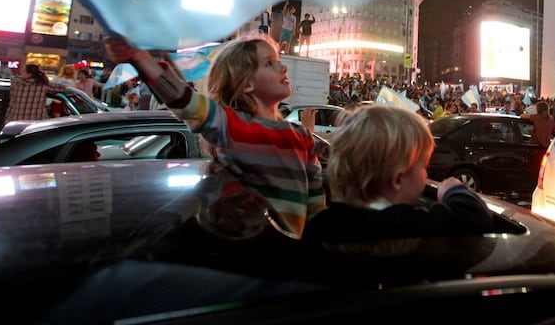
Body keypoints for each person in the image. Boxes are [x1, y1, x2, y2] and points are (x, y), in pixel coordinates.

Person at [105, 32, 325, 239]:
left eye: (278, 61)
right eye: (270, 63)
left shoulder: (302, 137)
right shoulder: (233, 126)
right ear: (247, 83)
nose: (283, 68)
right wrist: (139, 58)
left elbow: (316, 205)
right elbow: (185, 101)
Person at [301, 104, 493, 245]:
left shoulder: (320, 225)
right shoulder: (410, 225)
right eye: (423, 166)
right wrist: (454, 190)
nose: (426, 174)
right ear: (398, 179)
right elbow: (475, 219)